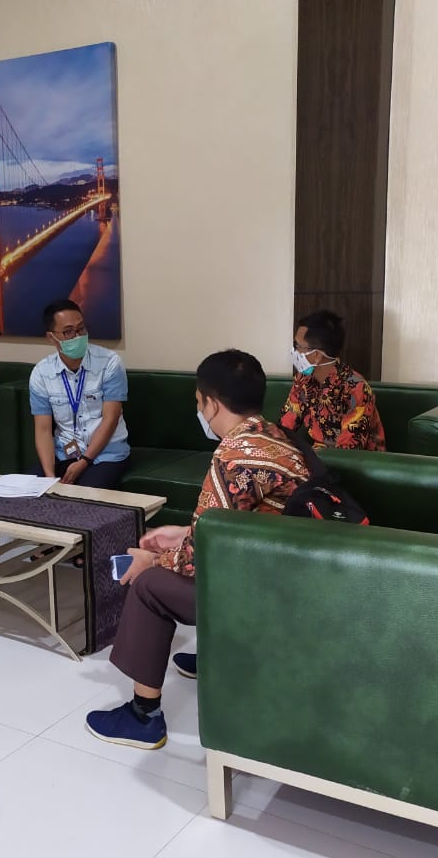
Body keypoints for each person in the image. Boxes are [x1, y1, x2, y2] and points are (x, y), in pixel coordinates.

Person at [85, 349, 310, 750]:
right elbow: (231, 528)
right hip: (291, 576)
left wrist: (152, 560)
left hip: (267, 593)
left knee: (149, 585)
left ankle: (143, 716)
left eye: (199, 403)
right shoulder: (273, 436)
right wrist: (184, 532)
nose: (200, 412)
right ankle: (215, 657)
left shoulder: (233, 456)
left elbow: (198, 559)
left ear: (213, 403)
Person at [29, 299, 130, 488]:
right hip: (64, 454)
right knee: (31, 491)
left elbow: (111, 419)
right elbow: (43, 430)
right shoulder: (41, 373)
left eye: (81, 329)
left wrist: (84, 461)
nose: (78, 336)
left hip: (105, 454)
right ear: (51, 337)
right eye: (68, 332)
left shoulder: (109, 363)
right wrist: (49, 478)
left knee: (84, 495)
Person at [280, 310, 385, 451]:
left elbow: (348, 451)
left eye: (298, 346)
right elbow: (285, 427)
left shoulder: (355, 388)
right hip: (317, 456)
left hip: (355, 460)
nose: (294, 351)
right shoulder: (302, 380)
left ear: (317, 355)